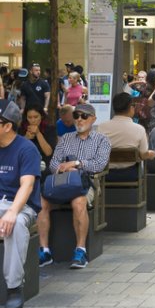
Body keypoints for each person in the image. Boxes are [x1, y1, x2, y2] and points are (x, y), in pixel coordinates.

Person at [38, 103, 112, 269]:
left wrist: (77, 164)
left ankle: (80, 250)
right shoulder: (65, 138)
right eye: (77, 115)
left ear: (93, 118)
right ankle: (44, 250)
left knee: (78, 201)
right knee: (41, 200)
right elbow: (53, 163)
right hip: (62, 181)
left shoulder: (102, 140)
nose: (79, 119)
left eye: (84, 116)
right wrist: (64, 168)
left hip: (88, 183)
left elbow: (99, 165)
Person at [0, 101, 41, 308]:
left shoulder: (26, 149)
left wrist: (11, 212)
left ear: (7, 126)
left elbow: (27, 185)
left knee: (14, 225)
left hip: (22, 206)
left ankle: (14, 287)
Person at [98, 93, 155, 181]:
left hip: (107, 174)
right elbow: (143, 155)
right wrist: (150, 154)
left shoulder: (101, 127)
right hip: (131, 174)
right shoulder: (139, 129)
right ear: (131, 107)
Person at [20, 105, 57, 171]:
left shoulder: (50, 129)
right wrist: (26, 138)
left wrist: (38, 133)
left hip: (45, 166)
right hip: (26, 164)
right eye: (30, 117)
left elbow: (48, 152)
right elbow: (17, 151)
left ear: (41, 116)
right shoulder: (22, 129)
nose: (33, 120)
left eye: (36, 117)